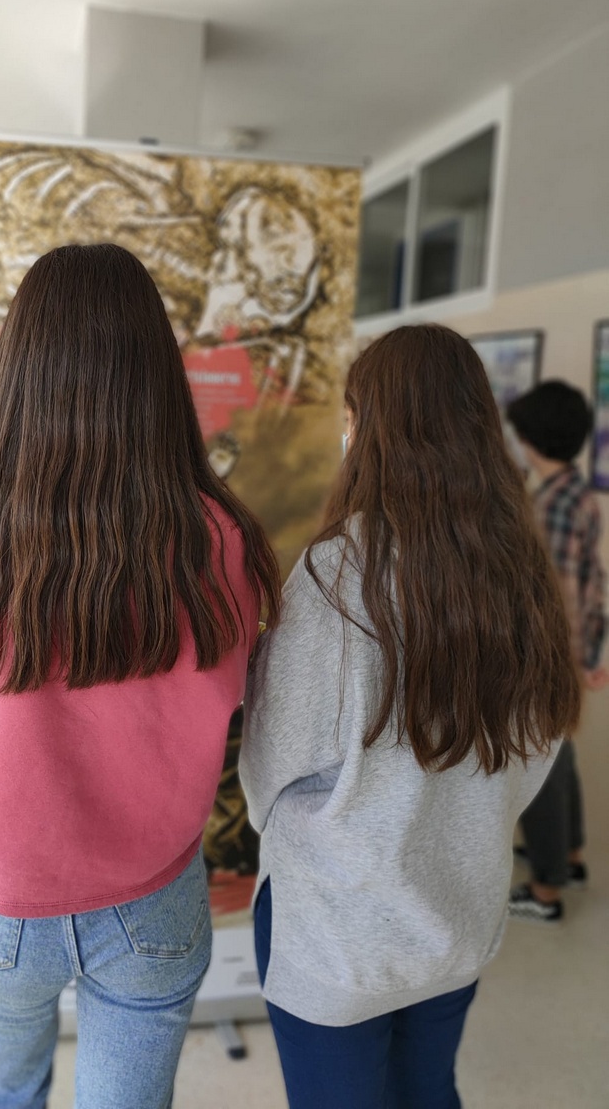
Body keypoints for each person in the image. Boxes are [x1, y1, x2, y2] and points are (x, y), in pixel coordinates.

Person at [0, 243, 281, 1109]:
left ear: (20, 363)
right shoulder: (221, 536)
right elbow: (237, 700)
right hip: (152, 896)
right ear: (155, 368)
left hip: (0, 893)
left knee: (0, 1099)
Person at [241, 324, 579, 1109]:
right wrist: (464, 819)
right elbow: (536, 746)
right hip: (459, 908)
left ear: (371, 426)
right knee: (430, 1091)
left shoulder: (338, 569)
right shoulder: (518, 564)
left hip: (338, 929)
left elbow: (272, 759)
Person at [505, 380, 607, 922]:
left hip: (548, 659)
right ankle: (569, 855)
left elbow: (562, 592)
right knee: (560, 757)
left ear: (531, 439)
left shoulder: (554, 505)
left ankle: (546, 890)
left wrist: (552, 664)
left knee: (539, 765)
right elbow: (594, 583)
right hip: (569, 655)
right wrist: (590, 653)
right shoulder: (578, 491)